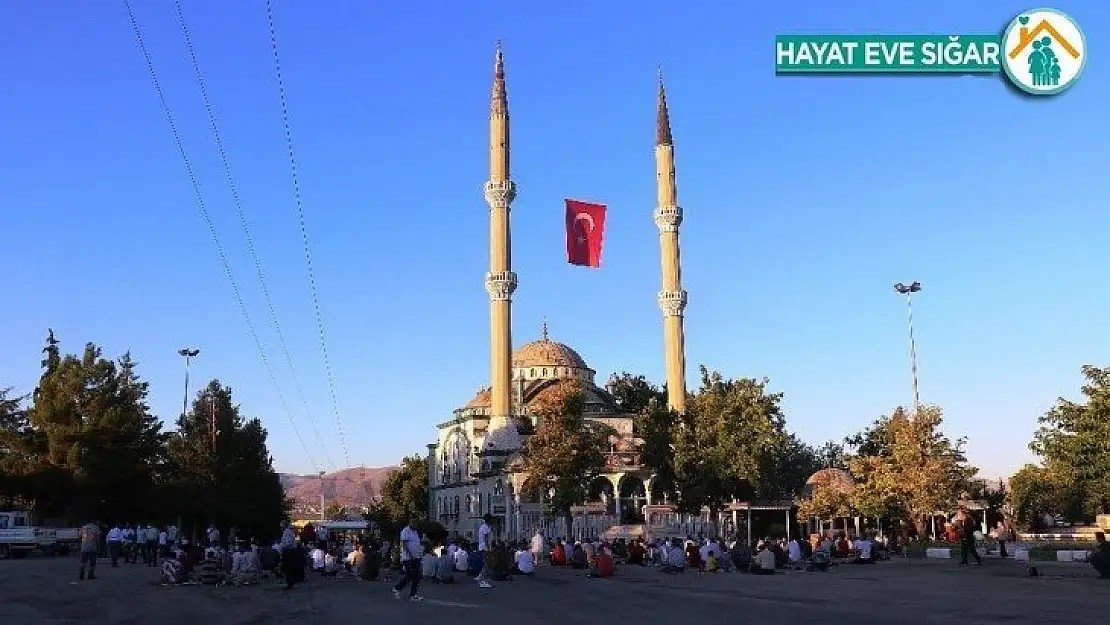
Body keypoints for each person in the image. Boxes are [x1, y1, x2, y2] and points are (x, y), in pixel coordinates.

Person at [392, 518, 425, 602]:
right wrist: (409, 555)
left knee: (417, 577)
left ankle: (413, 595)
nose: (416, 526)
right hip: (408, 558)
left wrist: (419, 555)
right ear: (411, 523)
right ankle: (397, 588)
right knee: (410, 575)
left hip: (416, 557)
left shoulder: (415, 532)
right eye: (414, 524)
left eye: (416, 524)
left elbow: (416, 544)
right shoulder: (405, 531)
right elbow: (404, 544)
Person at [475, 514, 494, 588]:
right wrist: (488, 547)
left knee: (486, 563)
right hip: (485, 547)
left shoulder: (484, 527)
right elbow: (486, 538)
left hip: (482, 547)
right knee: (487, 563)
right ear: (489, 520)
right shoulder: (486, 527)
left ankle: (481, 576)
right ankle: (482, 579)